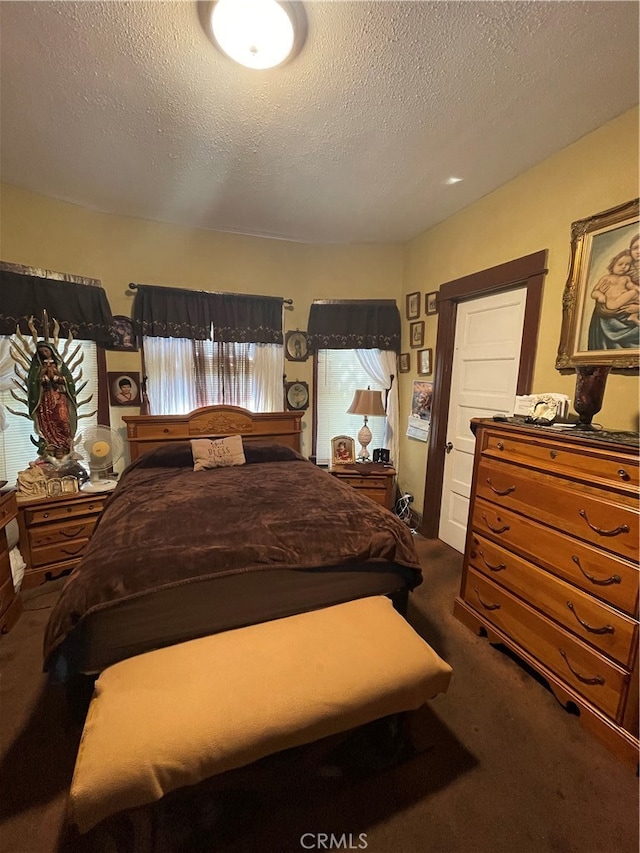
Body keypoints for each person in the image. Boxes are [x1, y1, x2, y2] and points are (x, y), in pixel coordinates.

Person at [28, 342, 76, 458]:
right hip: (45, 398)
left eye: (46, 351)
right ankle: (50, 444)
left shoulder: (59, 364)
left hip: (59, 396)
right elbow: (33, 381)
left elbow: (69, 380)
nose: (44, 354)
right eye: (42, 352)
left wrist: (58, 378)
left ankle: (64, 443)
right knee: (47, 421)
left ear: (52, 351)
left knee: (63, 419)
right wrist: (41, 379)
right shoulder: (38, 366)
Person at [588, 250, 640, 351]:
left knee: (635, 294)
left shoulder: (626, 278)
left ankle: (633, 316)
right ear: (613, 264)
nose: (624, 267)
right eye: (620, 264)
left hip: (623, 303)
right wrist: (600, 295)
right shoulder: (607, 278)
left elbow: (633, 286)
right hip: (612, 304)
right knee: (634, 293)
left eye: (627, 265)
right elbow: (594, 292)